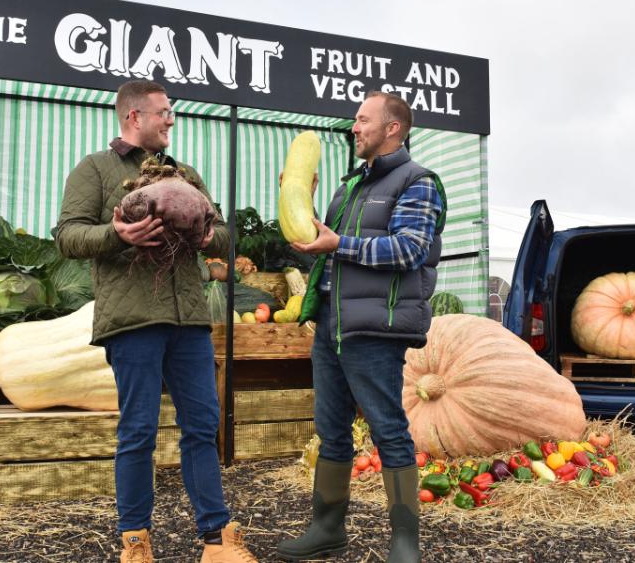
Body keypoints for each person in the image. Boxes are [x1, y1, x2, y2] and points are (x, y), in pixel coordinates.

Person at [56, 79, 258, 563]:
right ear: (134, 117)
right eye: (164, 112)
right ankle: (135, 544)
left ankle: (216, 541)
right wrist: (117, 233)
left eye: (171, 112)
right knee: (139, 430)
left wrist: (205, 233)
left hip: (187, 318)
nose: (171, 120)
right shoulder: (96, 168)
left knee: (202, 425)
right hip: (132, 320)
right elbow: (67, 235)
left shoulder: (185, 175)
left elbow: (224, 235)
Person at [276, 91, 446, 563]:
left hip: (376, 327)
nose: (354, 128)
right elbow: (324, 251)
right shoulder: (346, 188)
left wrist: (339, 243)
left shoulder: (419, 182)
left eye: (362, 119)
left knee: (388, 430)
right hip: (332, 323)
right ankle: (327, 529)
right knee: (331, 432)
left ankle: (405, 543)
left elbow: (409, 250)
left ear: (393, 128)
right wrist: (301, 208)